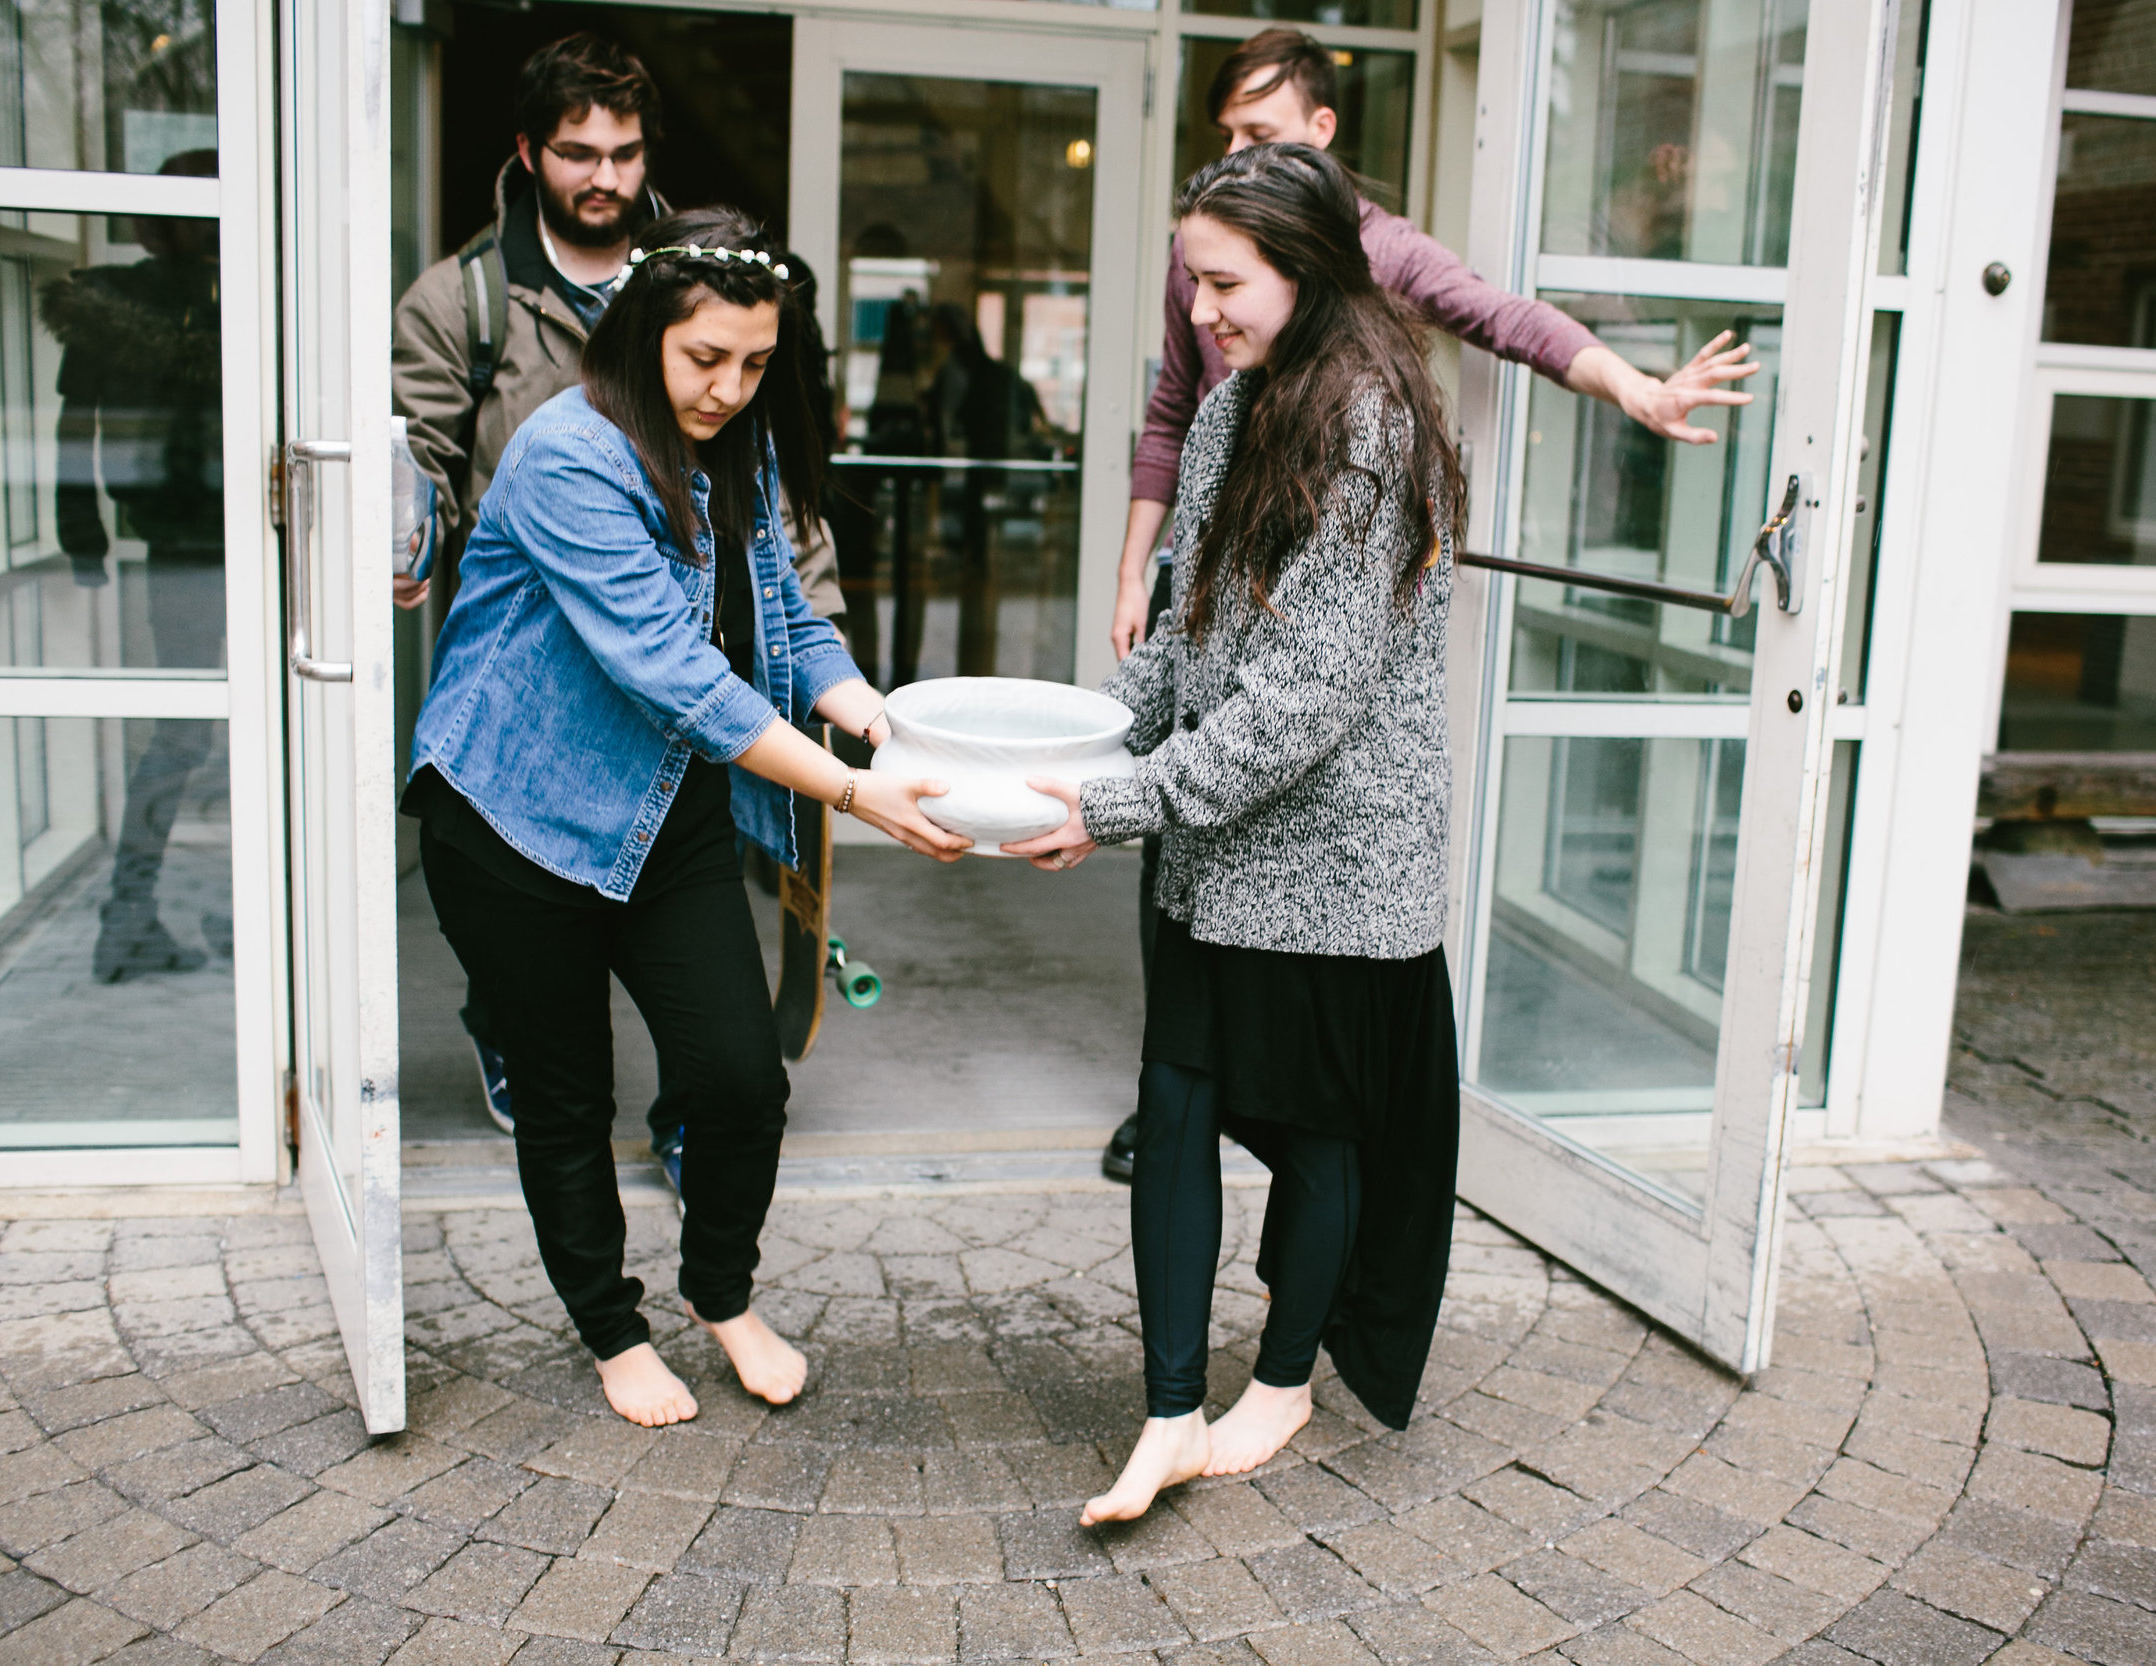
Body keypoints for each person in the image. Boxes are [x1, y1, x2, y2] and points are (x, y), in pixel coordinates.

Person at [1095, 27, 1755, 1182]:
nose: (1235, 155)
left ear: (1318, 134)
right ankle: (1176, 1093)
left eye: (1258, 133)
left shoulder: (1373, 274)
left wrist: (1634, 388)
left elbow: (1511, 321)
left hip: (1306, 585)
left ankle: (1232, 1105)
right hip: (1204, 570)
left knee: (1241, 824)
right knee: (1174, 866)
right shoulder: (1201, 259)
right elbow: (1169, 407)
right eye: (1225, 137)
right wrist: (1134, 571)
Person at [404, 207, 970, 1426]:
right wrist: (852, 790)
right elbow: (673, 670)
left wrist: (881, 722)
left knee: (737, 1078)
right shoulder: (568, 454)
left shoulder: (742, 450)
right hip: (513, 813)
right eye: (704, 358)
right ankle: (613, 1333)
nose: (729, 387)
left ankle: (722, 1292)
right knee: (568, 1098)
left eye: (756, 363)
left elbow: (781, 622)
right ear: (643, 333)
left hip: (664, 806)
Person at [1009, 144, 1471, 1520]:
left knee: (1319, 1140)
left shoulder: (1375, 429)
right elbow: (1182, 635)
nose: (1201, 308)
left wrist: (1116, 803)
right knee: (1176, 1107)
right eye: (1193, 279)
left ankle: (1279, 1376)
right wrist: (1086, 747)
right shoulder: (1229, 412)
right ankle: (1165, 1409)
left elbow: (1295, 712)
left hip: (1336, 864)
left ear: (1309, 269)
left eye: (1225, 281)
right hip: (1214, 851)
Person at [393, 35, 844, 1162]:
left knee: (699, 956)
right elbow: (420, 454)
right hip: (552, 684)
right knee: (550, 976)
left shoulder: (715, 283)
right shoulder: (466, 301)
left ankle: (694, 1128)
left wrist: (828, 672)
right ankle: (518, 1022)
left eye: (625, 152)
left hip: (689, 690)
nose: (604, 176)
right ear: (527, 153)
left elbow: (771, 524)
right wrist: (402, 532)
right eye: (577, 152)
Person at [48, 148, 230, 982]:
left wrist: (84, 535)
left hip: (178, 541)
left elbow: (72, 429)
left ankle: (133, 910)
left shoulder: (118, 304)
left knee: (186, 733)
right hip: (222, 540)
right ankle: (148, 913)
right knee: (251, 727)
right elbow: (77, 426)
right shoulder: (242, 300)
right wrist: (81, 534)